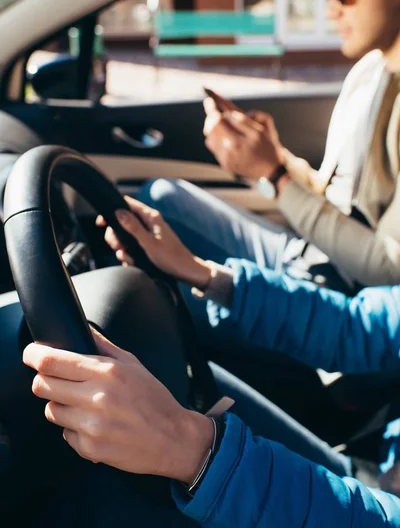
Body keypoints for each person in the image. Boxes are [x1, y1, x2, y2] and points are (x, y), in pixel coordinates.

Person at [23, 198, 400, 526]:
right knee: (179, 375)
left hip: (363, 505)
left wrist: (190, 449)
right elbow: (364, 326)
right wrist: (200, 272)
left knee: (87, 510)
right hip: (371, 475)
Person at [139, 0, 400, 297]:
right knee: (159, 198)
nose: (331, 8)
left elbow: (389, 269)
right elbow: (334, 199)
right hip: (309, 252)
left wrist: (274, 175)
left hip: (339, 296)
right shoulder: (368, 73)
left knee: (140, 296)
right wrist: (270, 158)